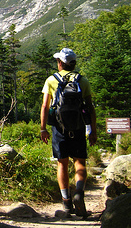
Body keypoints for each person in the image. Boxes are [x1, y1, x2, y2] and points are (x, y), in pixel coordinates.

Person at [40, 48, 97, 217]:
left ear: (60, 63)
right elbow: (90, 108)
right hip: (79, 127)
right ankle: (79, 192)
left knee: (62, 163)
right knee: (80, 161)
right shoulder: (83, 80)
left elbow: (45, 106)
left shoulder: (51, 80)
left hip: (59, 129)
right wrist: (93, 130)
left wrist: (43, 128)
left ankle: (66, 202)